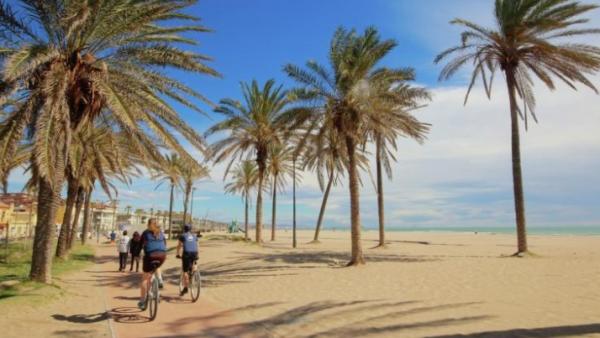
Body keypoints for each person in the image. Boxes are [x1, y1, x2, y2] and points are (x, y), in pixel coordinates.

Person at [138, 218, 167, 310]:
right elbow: (165, 244)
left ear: (148, 224)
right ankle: (160, 279)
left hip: (150, 255)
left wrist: (138, 253)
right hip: (162, 255)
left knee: (145, 278)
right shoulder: (161, 232)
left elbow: (140, 245)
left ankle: (142, 301)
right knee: (157, 265)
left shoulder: (146, 232)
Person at [176, 224, 199, 296]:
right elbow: (197, 245)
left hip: (186, 253)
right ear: (190, 229)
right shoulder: (194, 236)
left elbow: (179, 246)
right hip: (195, 253)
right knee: (194, 263)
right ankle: (194, 273)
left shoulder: (182, 235)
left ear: (184, 229)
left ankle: (185, 288)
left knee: (185, 271)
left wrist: (178, 254)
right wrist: (197, 255)